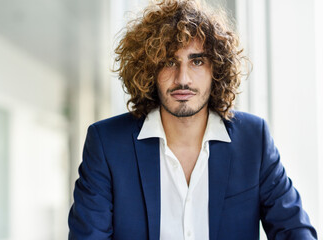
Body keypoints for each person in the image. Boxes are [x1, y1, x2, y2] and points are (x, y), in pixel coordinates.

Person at [68, 0, 317, 239]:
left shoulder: (253, 139)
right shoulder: (107, 144)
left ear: (216, 69)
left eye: (197, 61)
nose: (183, 78)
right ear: (149, 69)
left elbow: (294, 231)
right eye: (168, 62)